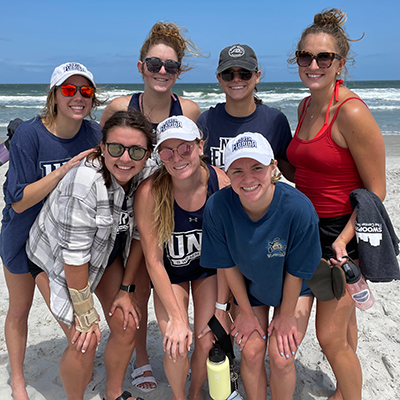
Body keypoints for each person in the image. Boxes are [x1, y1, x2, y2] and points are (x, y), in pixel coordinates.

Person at [286, 8, 386, 400]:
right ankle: (346, 390)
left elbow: (376, 190)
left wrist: (344, 240)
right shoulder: (304, 106)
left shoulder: (353, 112)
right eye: (305, 57)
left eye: (323, 57)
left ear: (340, 63)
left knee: (329, 337)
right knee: (342, 328)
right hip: (306, 229)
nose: (314, 64)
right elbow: (306, 170)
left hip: (343, 234)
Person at [100, 21, 203, 392]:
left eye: (170, 66)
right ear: (141, 66)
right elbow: (104, 155)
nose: (162, 72)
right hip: (125, 215)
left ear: (179, 72)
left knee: (161, 276)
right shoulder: (118, 106)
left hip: (168, 217)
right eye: (154, 64)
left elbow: (195, 158)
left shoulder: (188, 110)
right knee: (137, 289)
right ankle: (141, 359)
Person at [25, 110, 156, 400]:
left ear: (148, 154)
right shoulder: (85, 182)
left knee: (127, 323)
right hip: (56, 259)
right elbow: (74, 257)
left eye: (136, 150)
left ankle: (113, 394)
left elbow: (138, 235)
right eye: (115, 148)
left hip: (104, 252)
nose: (125, 158)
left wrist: (125, 289)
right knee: (85, 340)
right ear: (102, 147)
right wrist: (85, 313)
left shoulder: (147, 174)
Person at [0, 62, 103, 400]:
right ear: (55, 96)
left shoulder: (94, 135)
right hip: (22, 237)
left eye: (85, 91)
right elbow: (17, 201)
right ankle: (17, 381)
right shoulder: (30, 135)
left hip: (67, 246)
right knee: (19, 309)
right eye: (69, 90)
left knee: (80, 331)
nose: (78, 97)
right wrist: (64, 171)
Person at [200, 132, 321, 400]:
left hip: (294, 288)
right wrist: (244, 311)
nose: (248, 178)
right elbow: (227, 264)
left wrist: (286, 315)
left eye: (257, 168)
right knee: (252, 353)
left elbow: (297, 271)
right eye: (238, 171)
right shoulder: (218, 206)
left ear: (273, 167)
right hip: (252, 287)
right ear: (227, 173)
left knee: (281, 356)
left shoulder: (298, 209)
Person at [134, 116, 230, 400]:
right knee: (175, 344)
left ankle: (195, 392)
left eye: (185, 148)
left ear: (200, 146)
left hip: (207, 272)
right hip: (170, 273)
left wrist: (223, 306)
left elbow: (227, 253)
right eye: (167, 151)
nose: (177, 158)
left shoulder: (219, 182)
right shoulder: (150, 192)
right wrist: (177, 318)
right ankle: (179, 396)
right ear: (159, 155)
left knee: (207, 339)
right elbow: (152, 260)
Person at [197, 44, 293, 179]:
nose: (236, 79)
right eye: (228, 74)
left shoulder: (275, 121)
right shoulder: (206, 121)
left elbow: (292, 173)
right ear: (219, 79)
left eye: (245, 74)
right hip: (219, 200)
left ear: (257, 76)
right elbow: (197, 173)